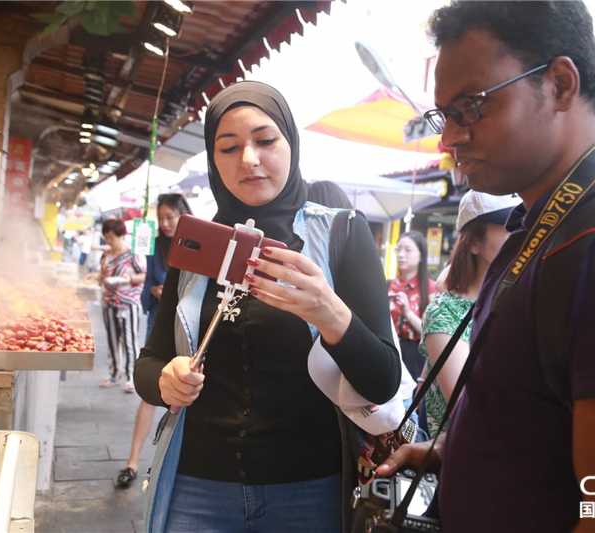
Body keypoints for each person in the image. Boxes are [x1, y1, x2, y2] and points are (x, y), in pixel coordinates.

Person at [377, 2, 595, 532]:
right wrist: (460, 452)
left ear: (561, 84)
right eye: (443, 115)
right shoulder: (537, 229)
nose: (449, 138)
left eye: (469, 107)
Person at [135, 81, 401, 532]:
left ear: (291, 144)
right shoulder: (198, 243)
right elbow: (148, 364)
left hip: (310, 490)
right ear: (213, 159)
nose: (249, 160)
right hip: (196, 486)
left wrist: (328, 311)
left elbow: (383, 380)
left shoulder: (341, 233)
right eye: (228, 147)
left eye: (265, 140)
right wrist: (166, 381)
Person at [418, 191, 517, 438]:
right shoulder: (445, 312)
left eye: (525, 225)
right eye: (509, 227)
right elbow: (468, 406)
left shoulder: (523, 301)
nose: (521, 235)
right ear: (474, 242)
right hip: (463, 460)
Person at [116, 194, 193, 488]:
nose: (165, 223)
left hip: (189, 332)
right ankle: (132, 462)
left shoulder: (201, 242)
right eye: (161, 217)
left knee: (186, 392)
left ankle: (176, 466)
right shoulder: (155, 248)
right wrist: (157, 292)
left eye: (171, 216)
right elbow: (147, 287)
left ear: (183, 214)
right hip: (159, 328)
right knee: (150, 392)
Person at [87, 219, 146, 392]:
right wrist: (94, 277)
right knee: (113, 340)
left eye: (112, 237)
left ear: (121, 235)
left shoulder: (134, 255)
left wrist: (130, 279)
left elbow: (143, 275)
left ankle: (131, 377)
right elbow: (102, 274)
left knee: (129, 341)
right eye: (107, 238)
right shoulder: (106, 255)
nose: (109, 241)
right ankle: (114, 374)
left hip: (128, 303)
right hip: (109, 302)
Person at [388, 231, 438, 381]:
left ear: (421, 255)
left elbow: (433, 333)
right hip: (389, 352)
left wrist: (408, 313)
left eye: (408, 250)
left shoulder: (431, 288)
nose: (401, 254)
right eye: (398, 249)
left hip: (416, 357)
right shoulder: (387, 285)